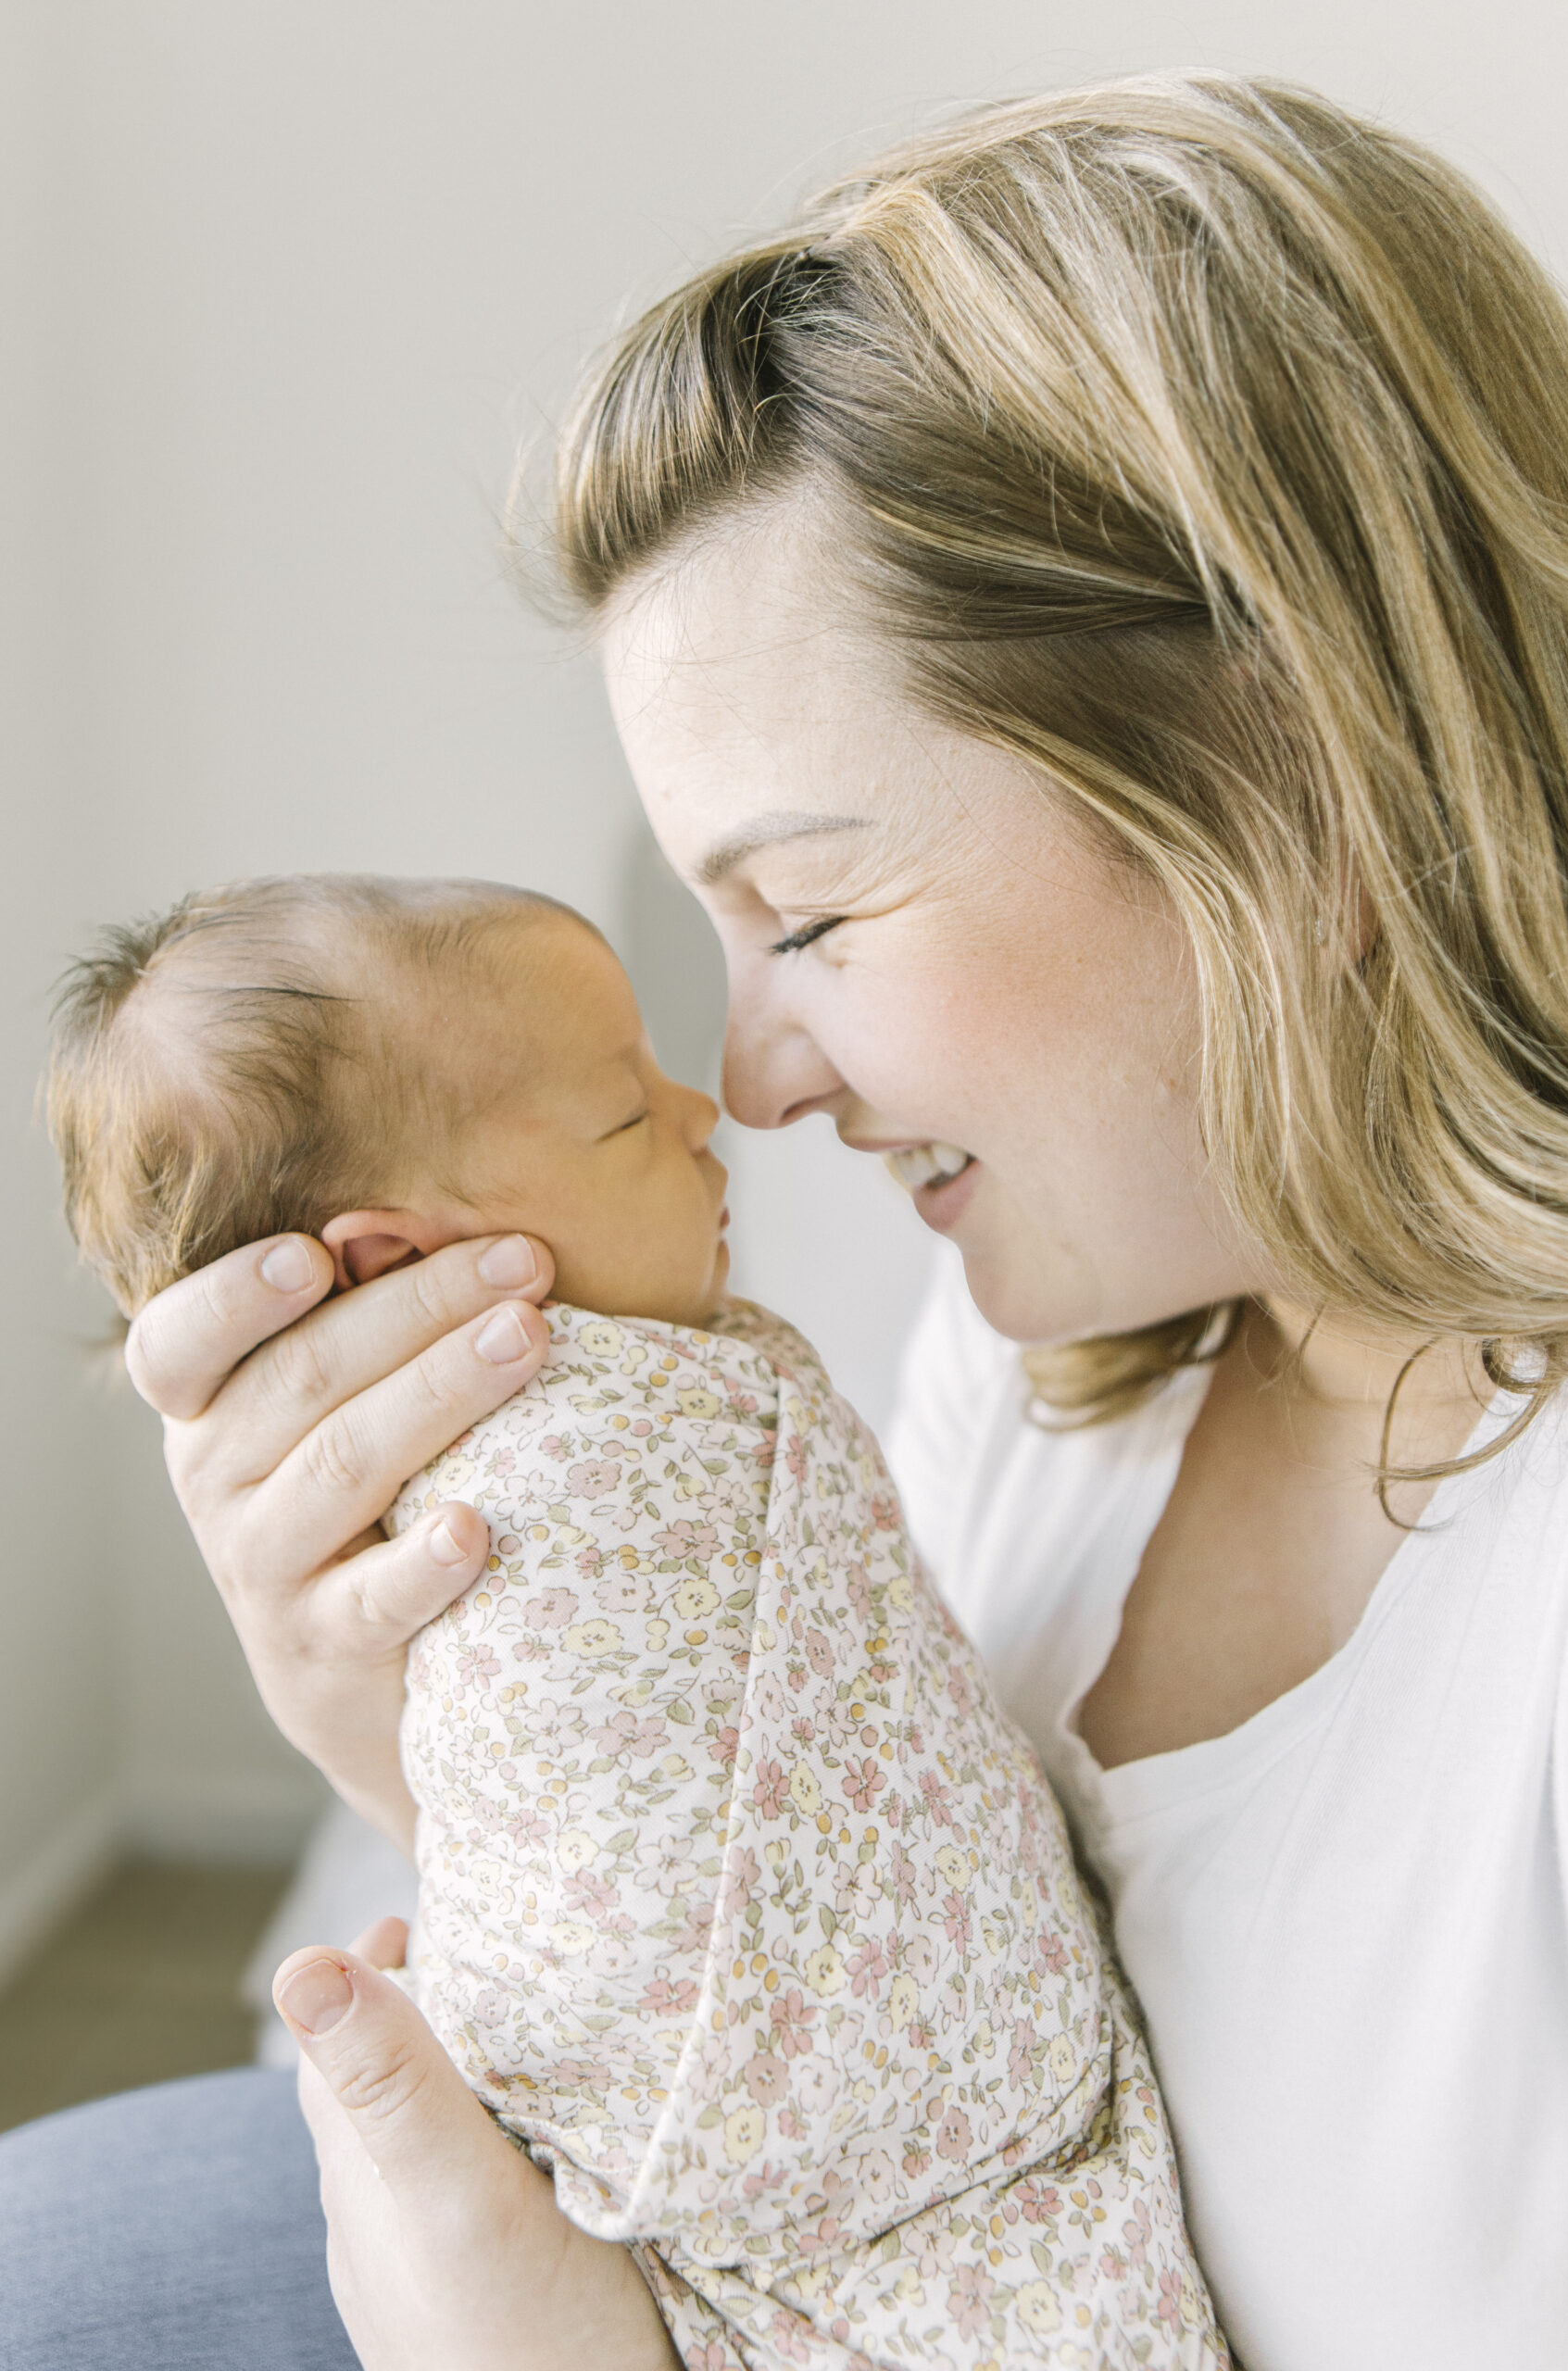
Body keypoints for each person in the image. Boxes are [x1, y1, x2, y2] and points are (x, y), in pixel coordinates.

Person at [6, 65, 1568, 2371]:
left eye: (813, 913)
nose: (745, 1079)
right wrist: (429, 1723)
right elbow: (811, 2027)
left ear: (1293, 782)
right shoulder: (1044, 1368)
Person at [43, 871, 1224, 2367]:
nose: (708, 1107)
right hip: (713, 2119)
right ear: (402, 1262)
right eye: (623, 1114)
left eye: (818, 912)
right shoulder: (535, 1447)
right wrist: (365, 1742)